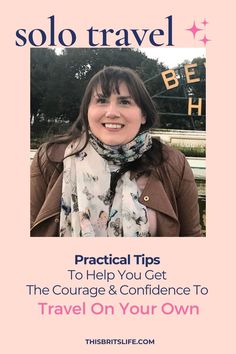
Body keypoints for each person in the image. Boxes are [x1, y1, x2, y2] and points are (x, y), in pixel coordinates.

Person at [31, 66, 202, 237]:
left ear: (143, 115)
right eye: (102, 101)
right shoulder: (50, 158)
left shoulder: (173, 164)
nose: (112, 113)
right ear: (87, 111)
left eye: (125, 102)